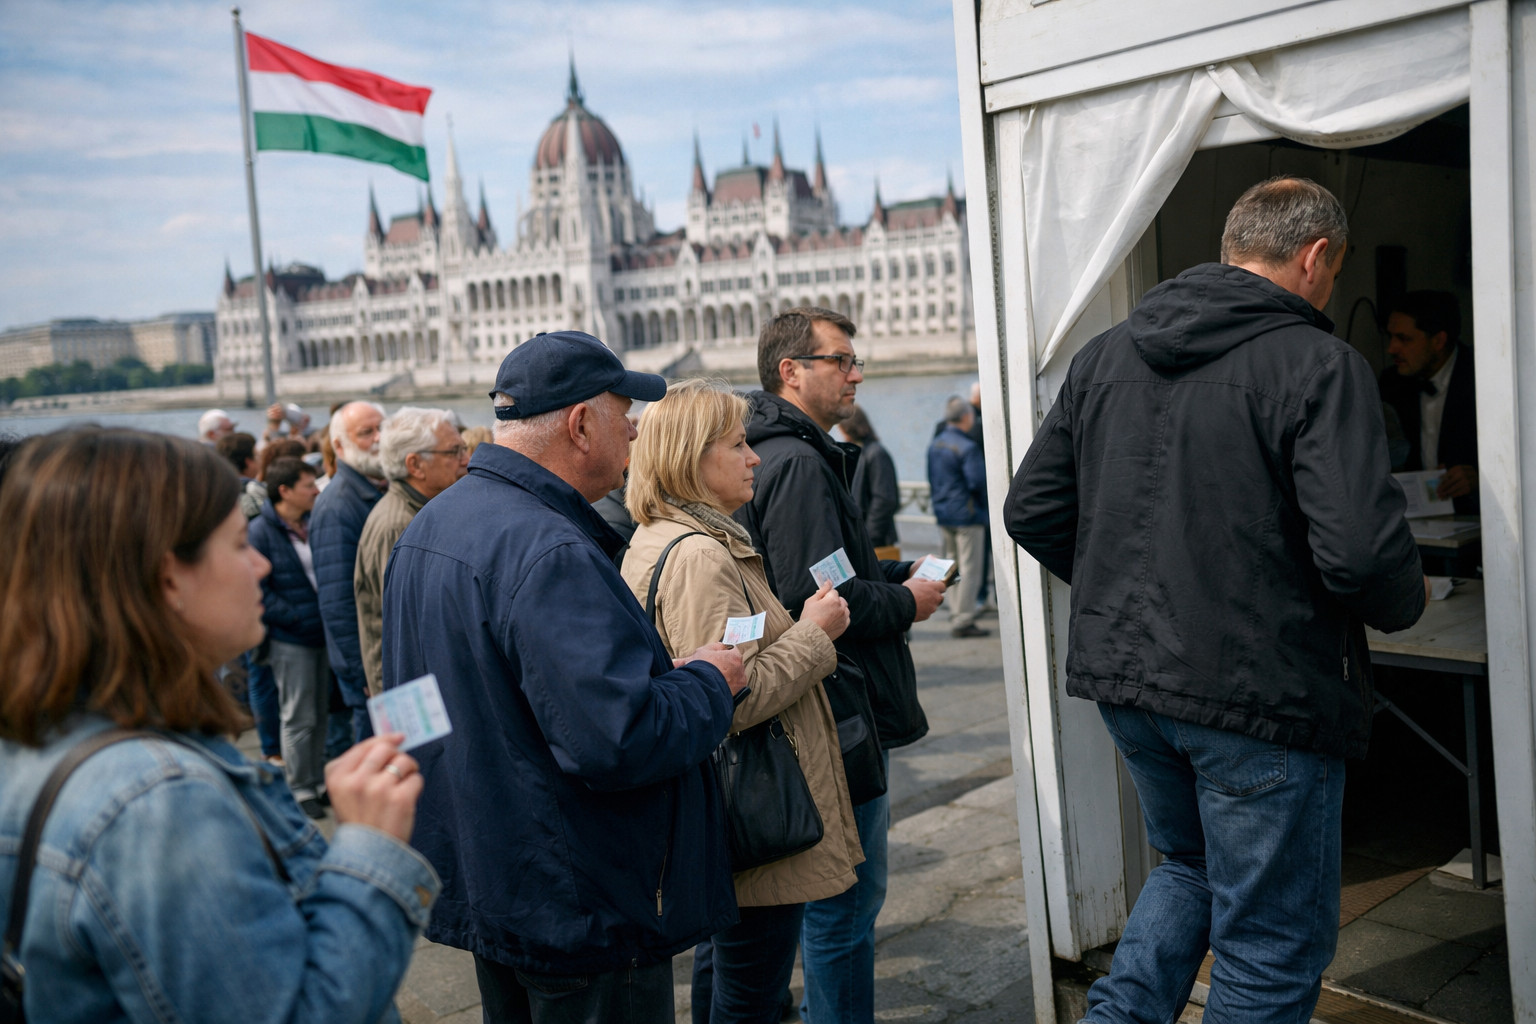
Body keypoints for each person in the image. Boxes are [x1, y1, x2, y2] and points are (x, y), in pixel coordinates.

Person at [1004, 176, 1426, 1023]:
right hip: (1258, 695)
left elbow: (1032, 511)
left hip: (1133, 684)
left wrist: (1129, 589)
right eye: (1333, 271)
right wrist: (1403, 603)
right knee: (1269, 946)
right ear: (1315, 257)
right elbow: (1362, 556)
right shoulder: (1321, 364)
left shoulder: (1106, 353)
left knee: (1190, 869)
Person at [0, 427, 437, 1022]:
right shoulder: (158, 804)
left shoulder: (46, 736)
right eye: (236, 545)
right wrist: (370, 846)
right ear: (169, 578)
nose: (259, 565)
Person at [382, 331, 747, 1024]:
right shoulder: (547, 548)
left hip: (489, 880)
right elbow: (617, 740)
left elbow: (403, 709)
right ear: (582, 425)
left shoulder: (429, 528)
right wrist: (710, 681)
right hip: (578, 903)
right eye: (622, 411)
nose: (636, 427)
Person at [621, 378, 862, 1024]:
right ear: (692, 458)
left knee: (731, 977)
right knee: (753, 994)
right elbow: (732, 694)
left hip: (716, 807)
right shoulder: (700, 554)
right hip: (750, 815)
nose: (754, 457)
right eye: (737, 445)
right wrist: (815, 633)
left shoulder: (672, 536)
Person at [734, 307, 946, 1024]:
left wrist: (888, 578)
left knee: (831, 904)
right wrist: (908, 602)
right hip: (839, 707)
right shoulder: (796, 462)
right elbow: (819, 597)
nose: (857, 374)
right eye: (842, 360)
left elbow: (832, 574)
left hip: (830, 699)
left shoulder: (786, 451)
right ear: (792, 371)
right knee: (847, 902)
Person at [355, 407, 468, 697]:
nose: (465, 461)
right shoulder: (399, 525)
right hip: (411, 692)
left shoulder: (419, 512)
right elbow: (406, 628)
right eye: (454, 451)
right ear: (415, 465)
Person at [247, 456, 332, 819]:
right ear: (284, 491)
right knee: (298, 714)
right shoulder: (260, 531)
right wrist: (297, 617)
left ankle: (316, 781)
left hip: (318, 633)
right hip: (290, 638)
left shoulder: (312, 521)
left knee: (320, 712)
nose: (315, 490)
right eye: (308, 486)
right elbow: (259, 590)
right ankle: (300, 788)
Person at [310, 399, 386, 746]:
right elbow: (337, 601)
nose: (378, 438)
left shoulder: (374, 488)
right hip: (368, 669)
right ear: (339, 446)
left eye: (382, 428)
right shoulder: (337, 506)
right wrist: (363, 671)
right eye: (366, 432)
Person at [1378, 290, 1478, 513]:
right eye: (1391, 337)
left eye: (1404, 338)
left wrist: (1479, 479)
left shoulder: (1483, 378)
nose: (1391, 348)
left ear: (1438, 341)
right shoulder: (1391, 383)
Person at [927, 396, 989, 638]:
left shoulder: (936, 444)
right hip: (967, 514)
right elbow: (978, 482)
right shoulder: (968, 447)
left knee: (950, 566)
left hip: (944, 513)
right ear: (966, 417)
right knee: (970, 568)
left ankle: (955, 612)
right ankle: (964, 619)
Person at [842, 405, 900, 560]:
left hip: (877, 540)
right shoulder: (863, 452)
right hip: (868, 537)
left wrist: (868, 538)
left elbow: (885, 500)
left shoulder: (875, 454)